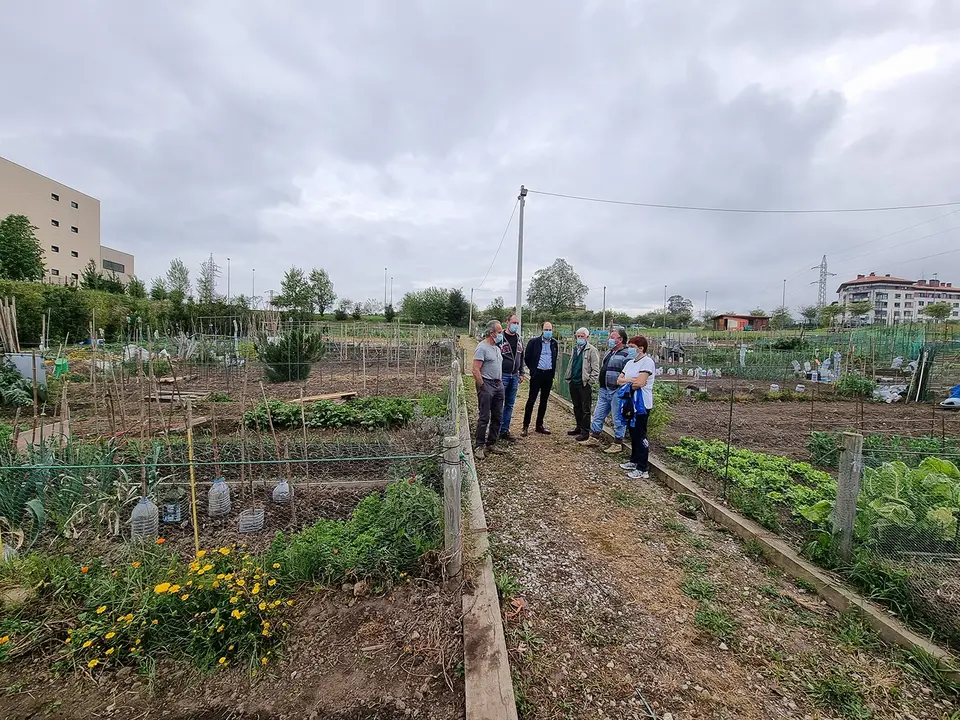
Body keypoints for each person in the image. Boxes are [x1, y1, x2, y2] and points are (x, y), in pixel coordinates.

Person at [579, 328, 631, 453]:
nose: (610, 339)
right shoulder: (609, 352)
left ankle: (618, 442)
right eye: (610, 337)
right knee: (598, 414)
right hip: (604, 389)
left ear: (620, 339)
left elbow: (627, 373)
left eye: (613, 337)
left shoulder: (627, 354)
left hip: (617, 390)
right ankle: (594, 437)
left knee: (617, 417)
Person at [616, 335, 656, 478]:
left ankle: (642, 467)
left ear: (641, 348)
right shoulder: (630, 363)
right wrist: (631, 380)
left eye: (632, 347)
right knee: (632, 433)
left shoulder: (647, 362)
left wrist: (628, 381)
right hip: (629, 403)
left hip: (642, 404)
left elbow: (640, 383)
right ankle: (634, 460)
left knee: (640, 435)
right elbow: (618, 380)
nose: (630, 349)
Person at [472, 320, 507, 460]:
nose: (501, 334)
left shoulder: (497, 348)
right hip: (487, 384)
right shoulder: (482, 348)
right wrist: (482, 386)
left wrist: (499, 384)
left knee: (498, 416)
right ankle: (479, 445)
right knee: (484, 417)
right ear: (492, 333)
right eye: (499, 332)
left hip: (498, 385)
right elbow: (475, 369)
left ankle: (491, 443)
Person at [521, 321, 558, 435]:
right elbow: (527, 357)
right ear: (542, 330)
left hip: (548, 375)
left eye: (550, 330)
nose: (548, 332)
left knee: (544, 401)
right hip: (537, 374)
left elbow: (554, 357)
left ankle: (539, 425)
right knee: (531, 400)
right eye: (546, 330)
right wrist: (533, 370)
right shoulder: (534, 342)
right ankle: (525, 426)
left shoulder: (554, 343)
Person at [565, 327, 600, 440]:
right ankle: (578, 427)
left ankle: (585, 432)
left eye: (582, 336)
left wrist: (590, 381)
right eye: (578, 336)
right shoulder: (575, 349)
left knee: (586, 409)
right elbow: (572, 363)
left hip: (584, 383)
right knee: (577, 406)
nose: (579, 338)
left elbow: (595, 369)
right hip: (574, 382)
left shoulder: (591, 350)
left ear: (587, 337)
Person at [497, 313, 525, 442]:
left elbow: (521, 357)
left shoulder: (519, 339)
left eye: (517, 323)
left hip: (514, 376)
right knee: (498, 403)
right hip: (502, 375)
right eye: (514, 323)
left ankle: (505, 430)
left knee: (510, 404)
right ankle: (495, 429)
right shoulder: (500, 338)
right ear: (507, 323)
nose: (516, 325)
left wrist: (521, 372)